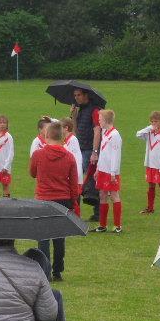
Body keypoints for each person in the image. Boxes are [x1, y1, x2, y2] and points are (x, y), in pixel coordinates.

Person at [29, 122, 79, 282]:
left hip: (43, 198)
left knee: (42, 237)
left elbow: (32, 173)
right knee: (59, 237)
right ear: (63, 137)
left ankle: (45, 271)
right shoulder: (69, 157)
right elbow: (74, 183)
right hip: (63, 199)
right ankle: (58, 270)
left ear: (46, 135)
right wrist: (74, 203)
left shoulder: (38, 154)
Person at [71, 89, 102, 221]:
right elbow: (76, 131)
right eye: (75, 95)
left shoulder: (95, 110)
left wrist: (95, 152)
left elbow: (97, 131)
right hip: (81, 149)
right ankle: (76, 211)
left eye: (78, 95)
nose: (76, 98)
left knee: (91, 181)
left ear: (86, 95)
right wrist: (73, 116)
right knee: (78, 179)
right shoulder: (81, 110)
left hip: (90, 150)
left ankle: (98, 213)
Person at [136, 111, 160, 215]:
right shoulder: (149, 133)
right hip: (149, 164)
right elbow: (138, 134)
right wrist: (149, 128)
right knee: (151, 185)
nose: (154, 124)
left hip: (159, 165)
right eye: (152, 122)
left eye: (156, 122)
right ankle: (150, 208)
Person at [93, 109, 123, 234]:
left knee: (114, 195)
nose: (98, 121)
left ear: (106, 120)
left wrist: (113, 173)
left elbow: (115, 155)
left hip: (111, 171)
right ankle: (102, 225)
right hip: (103, 169)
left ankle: (117, 225)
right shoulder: (105, 133)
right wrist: (97, 169)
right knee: (102, 195)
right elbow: (103, 153)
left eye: (100, 119)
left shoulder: (115, 135)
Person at [60, 118, 83, 217]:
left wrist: (75, 176)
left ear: (66, 128)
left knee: (74, 200)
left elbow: (76, 159)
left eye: (61, 127)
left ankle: (77, 219)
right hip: (70, 176)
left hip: (75, 177)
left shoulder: (73, 140)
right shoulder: (66, 140)